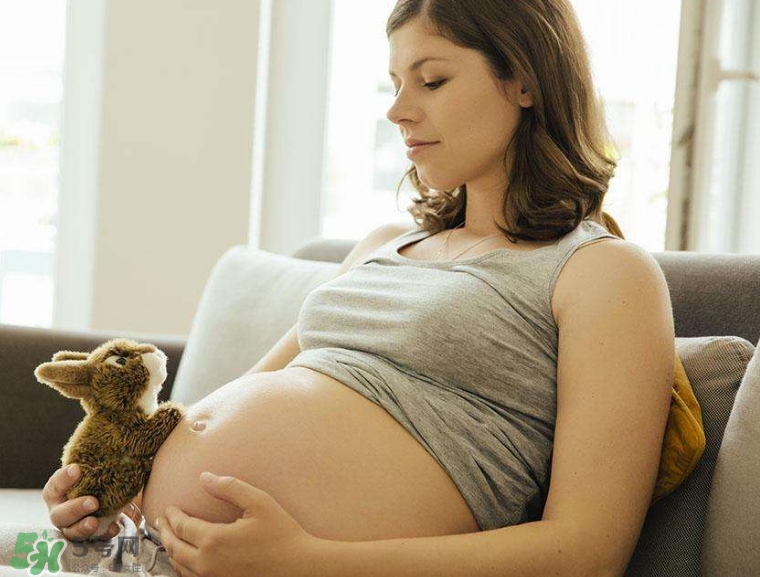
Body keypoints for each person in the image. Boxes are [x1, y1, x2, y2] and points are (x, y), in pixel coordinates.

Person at [4, 1, 675, 576]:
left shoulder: (603, 273)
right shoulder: (383, 245)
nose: (398, 110)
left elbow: (589, 550)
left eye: (432, 80)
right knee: (20, 551)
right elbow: (224, 402)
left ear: (524, 80)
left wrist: (308, 558)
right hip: (144, 554)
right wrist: (114, 500)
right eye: (394, 83)